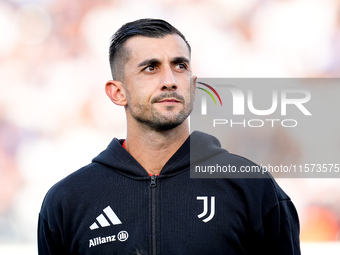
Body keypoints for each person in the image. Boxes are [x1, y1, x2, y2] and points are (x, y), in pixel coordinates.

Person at [38, 18, 300, 255]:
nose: (170, 80)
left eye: (180, 66)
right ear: (118, 92)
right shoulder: (69, 200)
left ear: (194, 87)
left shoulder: (250, 186)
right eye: (150, 68)